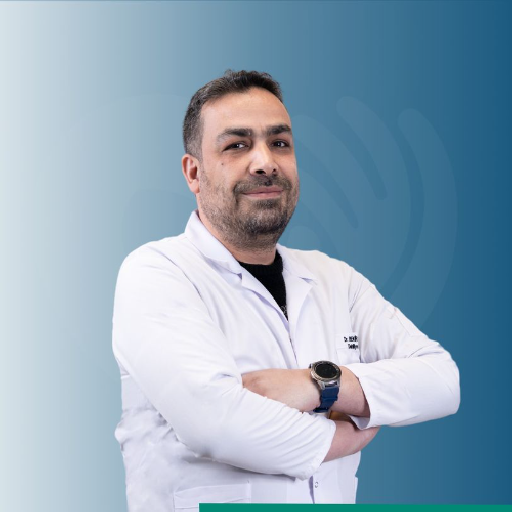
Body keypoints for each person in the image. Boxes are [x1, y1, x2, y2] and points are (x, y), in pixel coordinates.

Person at [112, 70, 460, 510]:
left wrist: (319, 385)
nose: (265, 162)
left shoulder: (335, 279)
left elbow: (441, 381)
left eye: (279, 143)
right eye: (236, 145)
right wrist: (348, 432)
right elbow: (216, 423)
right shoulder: (157, 273)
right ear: (193, 173)